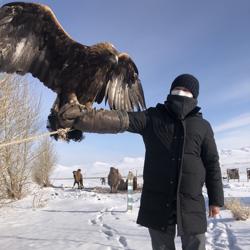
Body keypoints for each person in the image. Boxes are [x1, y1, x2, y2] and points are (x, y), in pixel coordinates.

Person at [58, 74, 224, 250]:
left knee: (196, 246)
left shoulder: (203, 126)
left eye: (186, 90)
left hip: (191, 201)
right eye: (177, 88)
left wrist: (215, 200)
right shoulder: (152, 117)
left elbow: (212, 163)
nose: (181, 92)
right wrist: (85, 118)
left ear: (194, 95)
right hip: (158, 200)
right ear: (170, 91)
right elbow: (122, 120)